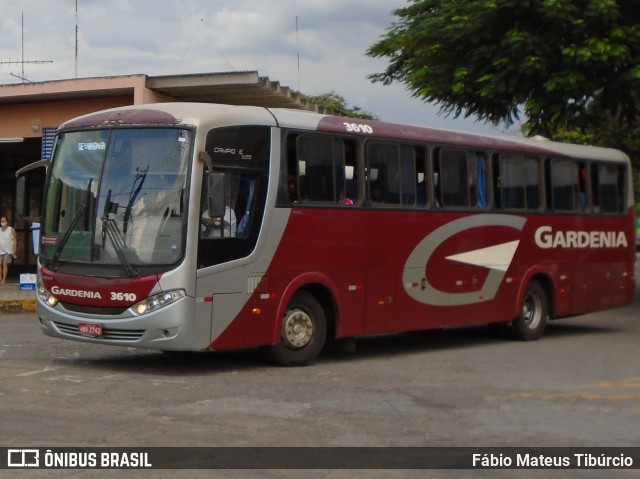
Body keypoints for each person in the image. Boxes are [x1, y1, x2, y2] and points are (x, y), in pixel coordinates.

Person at [0, 216, 17, 284]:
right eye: (1, 221)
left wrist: (14, 248)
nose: (3, 222)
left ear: (7, 221)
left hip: (8, 250)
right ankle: (0, 278)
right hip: (0, 249)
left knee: (4, 264)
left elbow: (15, 239)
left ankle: (4, 279)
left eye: (4, 221)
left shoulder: (11, 229)